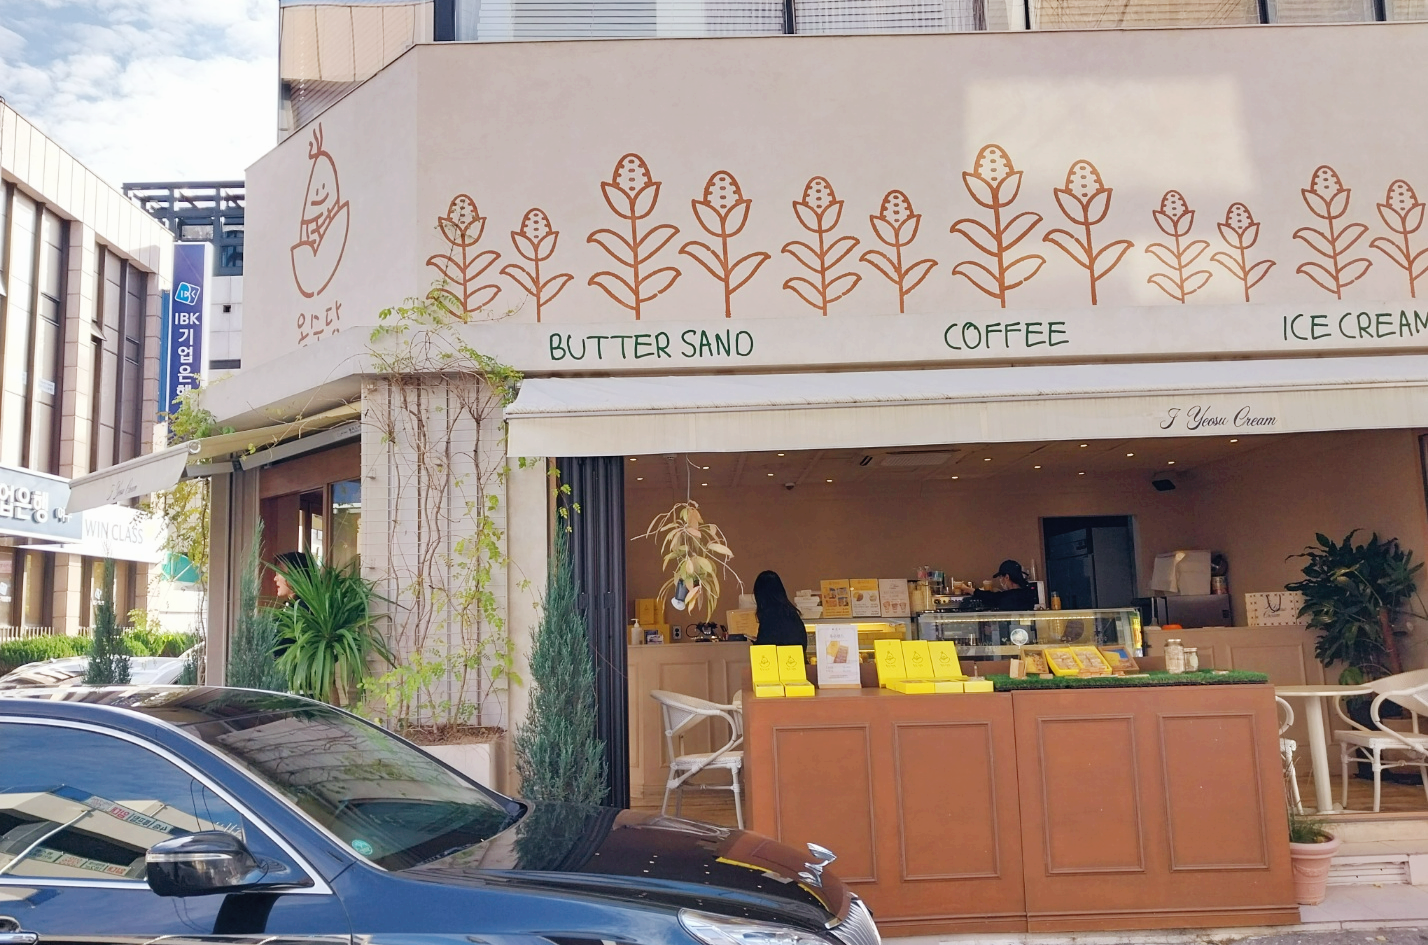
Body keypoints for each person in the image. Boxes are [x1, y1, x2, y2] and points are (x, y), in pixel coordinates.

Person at [752, 570, 808, 648]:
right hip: (795, 655)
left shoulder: (769, 617)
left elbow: (765, 646)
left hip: (779, 655)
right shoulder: (791, 612)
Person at [970, 559, 1039, 612]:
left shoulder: (1009, 597)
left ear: (1007, 577)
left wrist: (968, 589)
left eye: (1001, 577)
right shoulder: (1028, 593)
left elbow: (992, 597)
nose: (1000, 580)